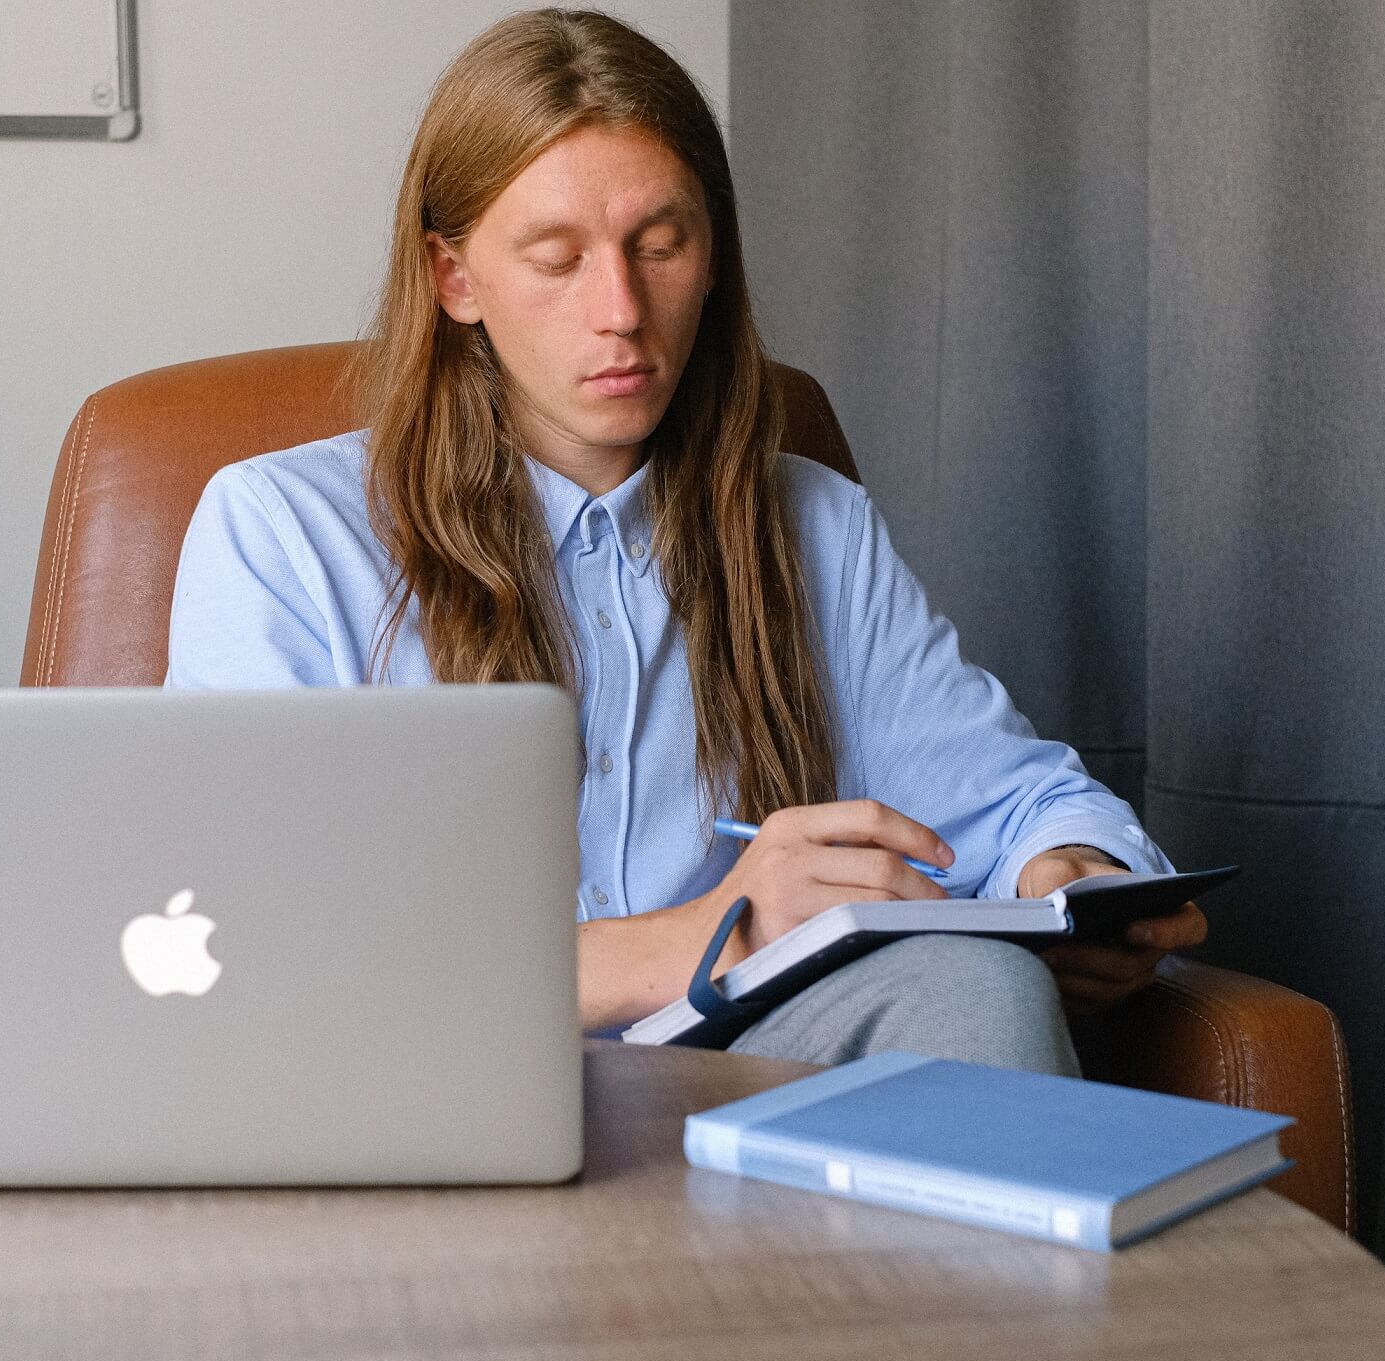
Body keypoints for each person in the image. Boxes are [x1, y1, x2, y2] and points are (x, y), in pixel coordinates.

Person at [165, 8, 1205, 1075]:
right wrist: (720, 928)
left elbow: (1022, 801)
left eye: (660, 245)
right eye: (556, 259)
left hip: (741, 1092)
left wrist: (1066, 879)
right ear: (454, 279)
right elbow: (252, 955)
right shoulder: (283, 533)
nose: (621, 310)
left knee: (973, 978)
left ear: (712, 257)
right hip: (435, 1083)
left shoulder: (813, 527)